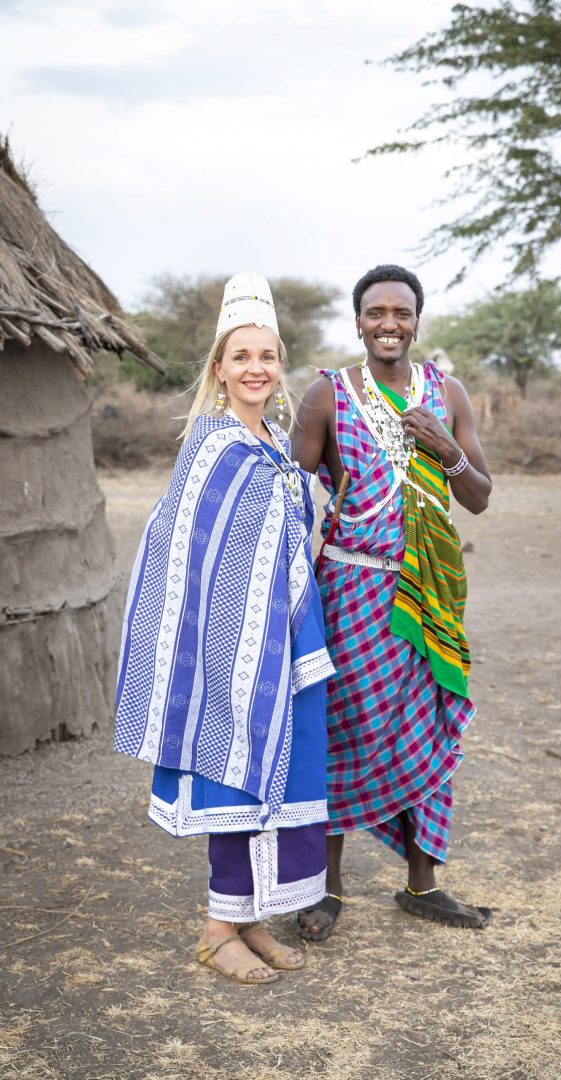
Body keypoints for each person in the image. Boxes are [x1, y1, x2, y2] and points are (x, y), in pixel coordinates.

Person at [115, 272, 334, 984]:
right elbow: (187, 561)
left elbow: (288, 539)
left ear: (280, 368)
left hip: (287, 644)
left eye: (267, 357)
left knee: (281, 772)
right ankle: (217, 929)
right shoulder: (212, 449)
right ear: (219, 368)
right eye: (241, 357)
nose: (255, 369)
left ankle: (250, 918)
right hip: (226, 655)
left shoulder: (275, 441)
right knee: (236, 778)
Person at [291, 264, 493, 938]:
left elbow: (480, 495)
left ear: (416, 320)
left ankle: (422, 886)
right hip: (350, 589)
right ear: (358, 322)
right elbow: (290, 491)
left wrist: (444, 447)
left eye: (400, 313)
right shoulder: (328, 394)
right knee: (341, 729)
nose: (388, 324)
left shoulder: (447, 393)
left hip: (428, 588)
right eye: (375, 312)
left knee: (428, 722)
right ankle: (327, 892)